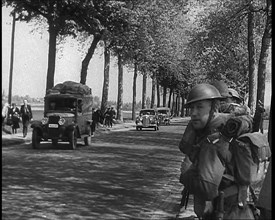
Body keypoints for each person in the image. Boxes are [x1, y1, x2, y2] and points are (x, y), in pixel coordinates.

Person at [178, 83, 255, 219]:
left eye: (199, 107)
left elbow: (206, 189)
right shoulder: (224, 128)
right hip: (235, 208)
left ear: (214, 108)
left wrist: (185, 174)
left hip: (224, 211)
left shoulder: (213, 141)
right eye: (192, 108)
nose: (193, 113)